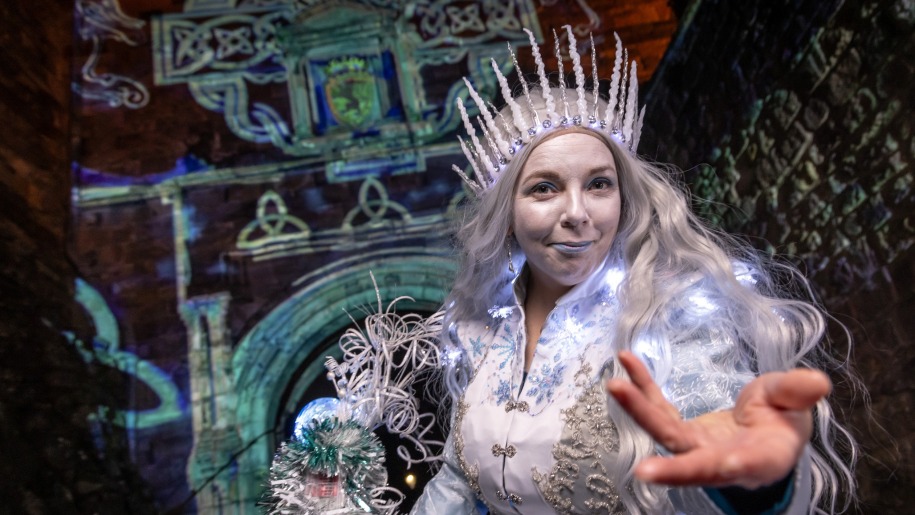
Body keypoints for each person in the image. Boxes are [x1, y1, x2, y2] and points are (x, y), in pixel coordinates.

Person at [410, 27, 857, 514]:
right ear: (506, 214)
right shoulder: (481, 331)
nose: (578, 213)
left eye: (599, 184)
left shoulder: (670, 317)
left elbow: (710, 445)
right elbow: (456, 482)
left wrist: (753, 485)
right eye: (544, 188)